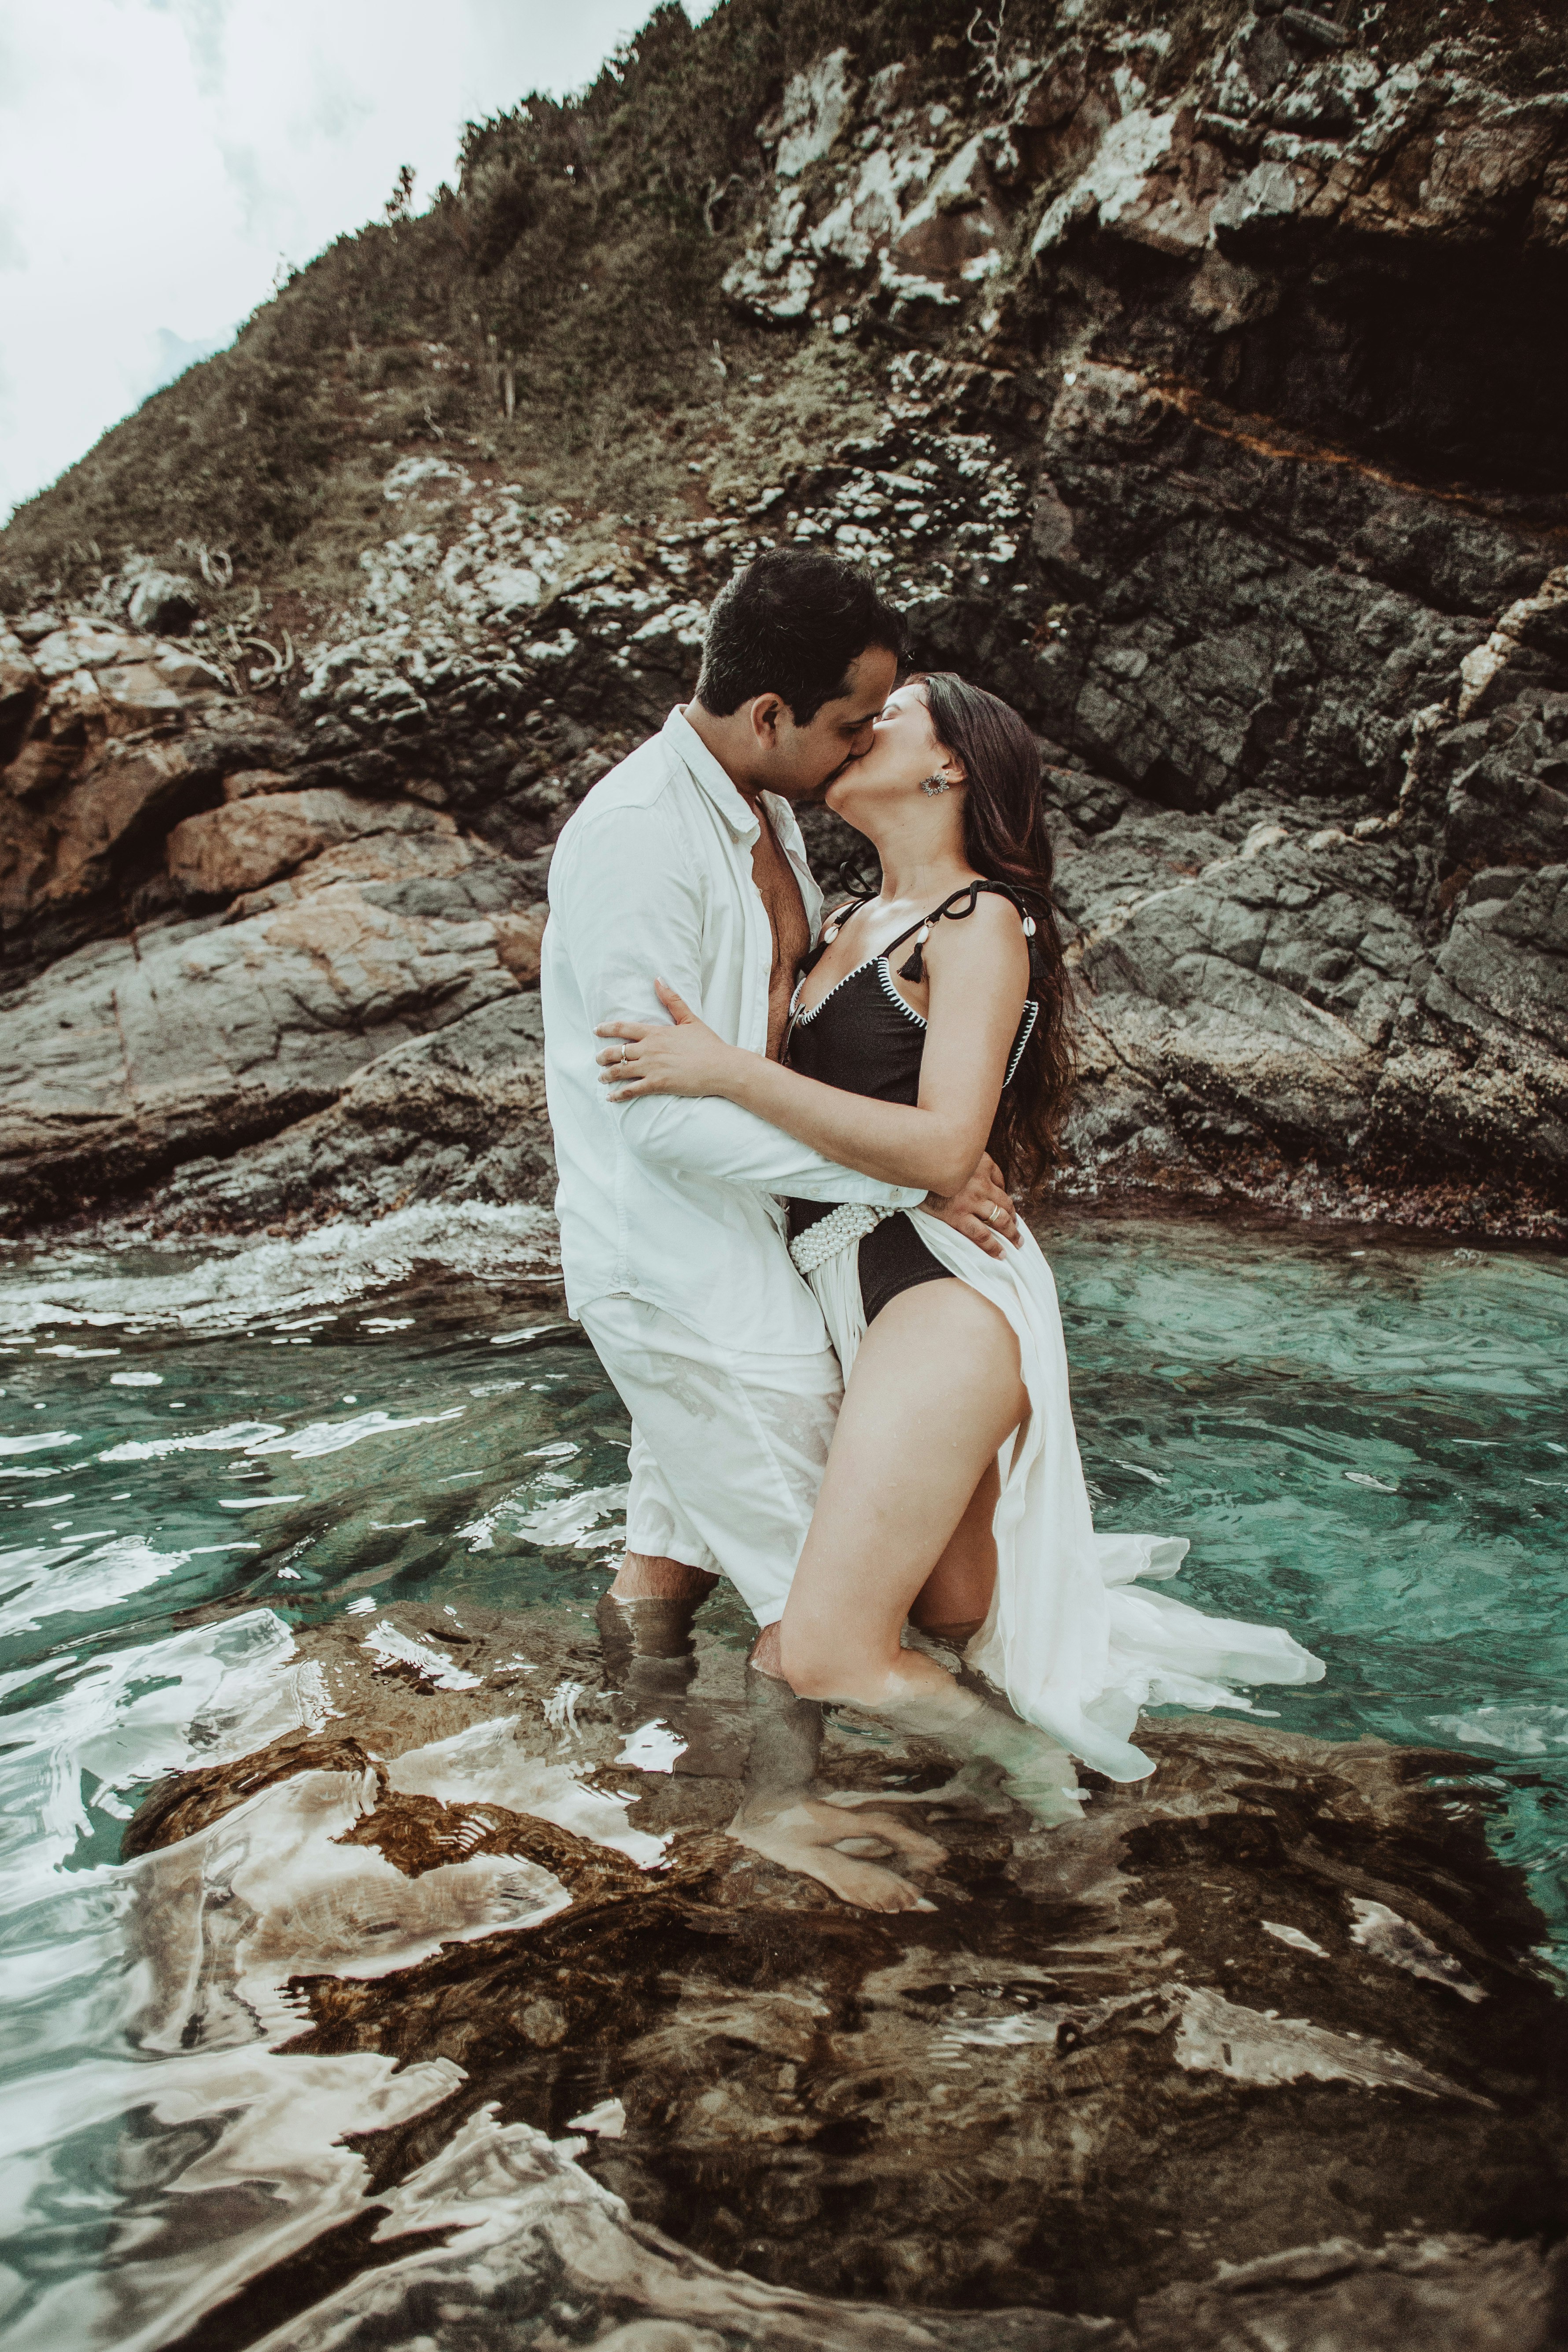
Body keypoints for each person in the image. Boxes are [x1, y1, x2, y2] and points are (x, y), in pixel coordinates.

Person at [595, 671, 1324, 1778]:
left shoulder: (980, 918)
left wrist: (728, 1074)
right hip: (843, 1284)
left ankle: (1040, 1776)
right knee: (961, 1619)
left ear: (949, 767)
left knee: (827, 1652)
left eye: (889, 716)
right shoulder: (844, 916)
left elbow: (943, 1146)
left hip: (940, 1298)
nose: (857, 726)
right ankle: (980, 1777)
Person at [542, 552, 1021, 1651]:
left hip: (755, 1240)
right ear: (770, 714)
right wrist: (907, 1173)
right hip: (679, 1264)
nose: (862, 743)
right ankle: (894, 1810)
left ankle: (631, 1773)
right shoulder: (640, 837)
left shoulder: (772, 815)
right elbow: (652, 1107)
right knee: (830, 1605)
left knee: (668, 1558)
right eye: (850, 724)